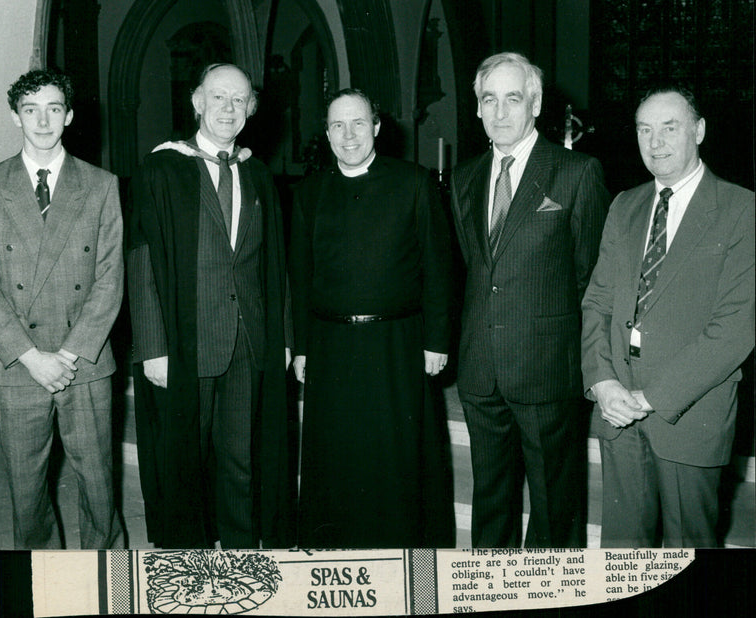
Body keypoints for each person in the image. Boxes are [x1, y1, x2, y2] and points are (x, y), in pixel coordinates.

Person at [126, 63, 293, 548]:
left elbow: (274, 265)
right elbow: (142, 260)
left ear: (250, 110)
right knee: (186, 458)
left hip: (249, 340)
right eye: (218, 97)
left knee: (241, 458)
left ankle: (241, 558)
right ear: (197, 101)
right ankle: (188, 565)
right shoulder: (163, 168)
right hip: (187, 338)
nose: (227, 108)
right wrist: (153, 347)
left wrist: (281, 338)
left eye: (238, 100)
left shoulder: (258, 174)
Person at [581, 85, 755, 547]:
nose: (655, 142)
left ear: (698, 131)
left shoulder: (742, 210)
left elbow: (736, 329)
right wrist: (602, 381)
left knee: (687, 550)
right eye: (644, 129)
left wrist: (651, 397)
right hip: (617, 409)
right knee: (623, 554)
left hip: (688, 414)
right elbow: (597, 301)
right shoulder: (625, 205)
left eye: (669, 127)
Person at [450, 52, 609, 547]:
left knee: (553, 507)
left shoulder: (576, 172)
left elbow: (592, 279)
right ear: (476, 108)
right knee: (490, 500)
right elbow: (475, 271)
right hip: (481, 370)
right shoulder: (465, 177)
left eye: (512, 98)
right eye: (489, 100)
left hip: (546, 371)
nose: (500, 113)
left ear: (536, 104)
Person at [0, 69, 124, 549]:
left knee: (98, 484)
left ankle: (108, 576)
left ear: (69, 116)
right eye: (30, 109)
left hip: (86, 362)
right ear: (16, 116)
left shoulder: (100, 185)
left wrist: (69, 354)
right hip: (19, 365)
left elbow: (109, 277)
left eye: (54, 108)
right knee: (26, 490)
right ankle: (43, 580)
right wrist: (32, 356)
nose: (43, 120)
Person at [289, 88, 455, 547]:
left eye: (359, 123)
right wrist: (301, 346)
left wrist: (437, 340)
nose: (349, 135)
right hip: (330, 344)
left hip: (397, 343)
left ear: (377, 127)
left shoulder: (414, 183)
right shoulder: (308, 193)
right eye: (338, 125)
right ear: (326, 133)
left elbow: (438, 269)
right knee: (338, 457)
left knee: (396, 458)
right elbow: (299, 279)